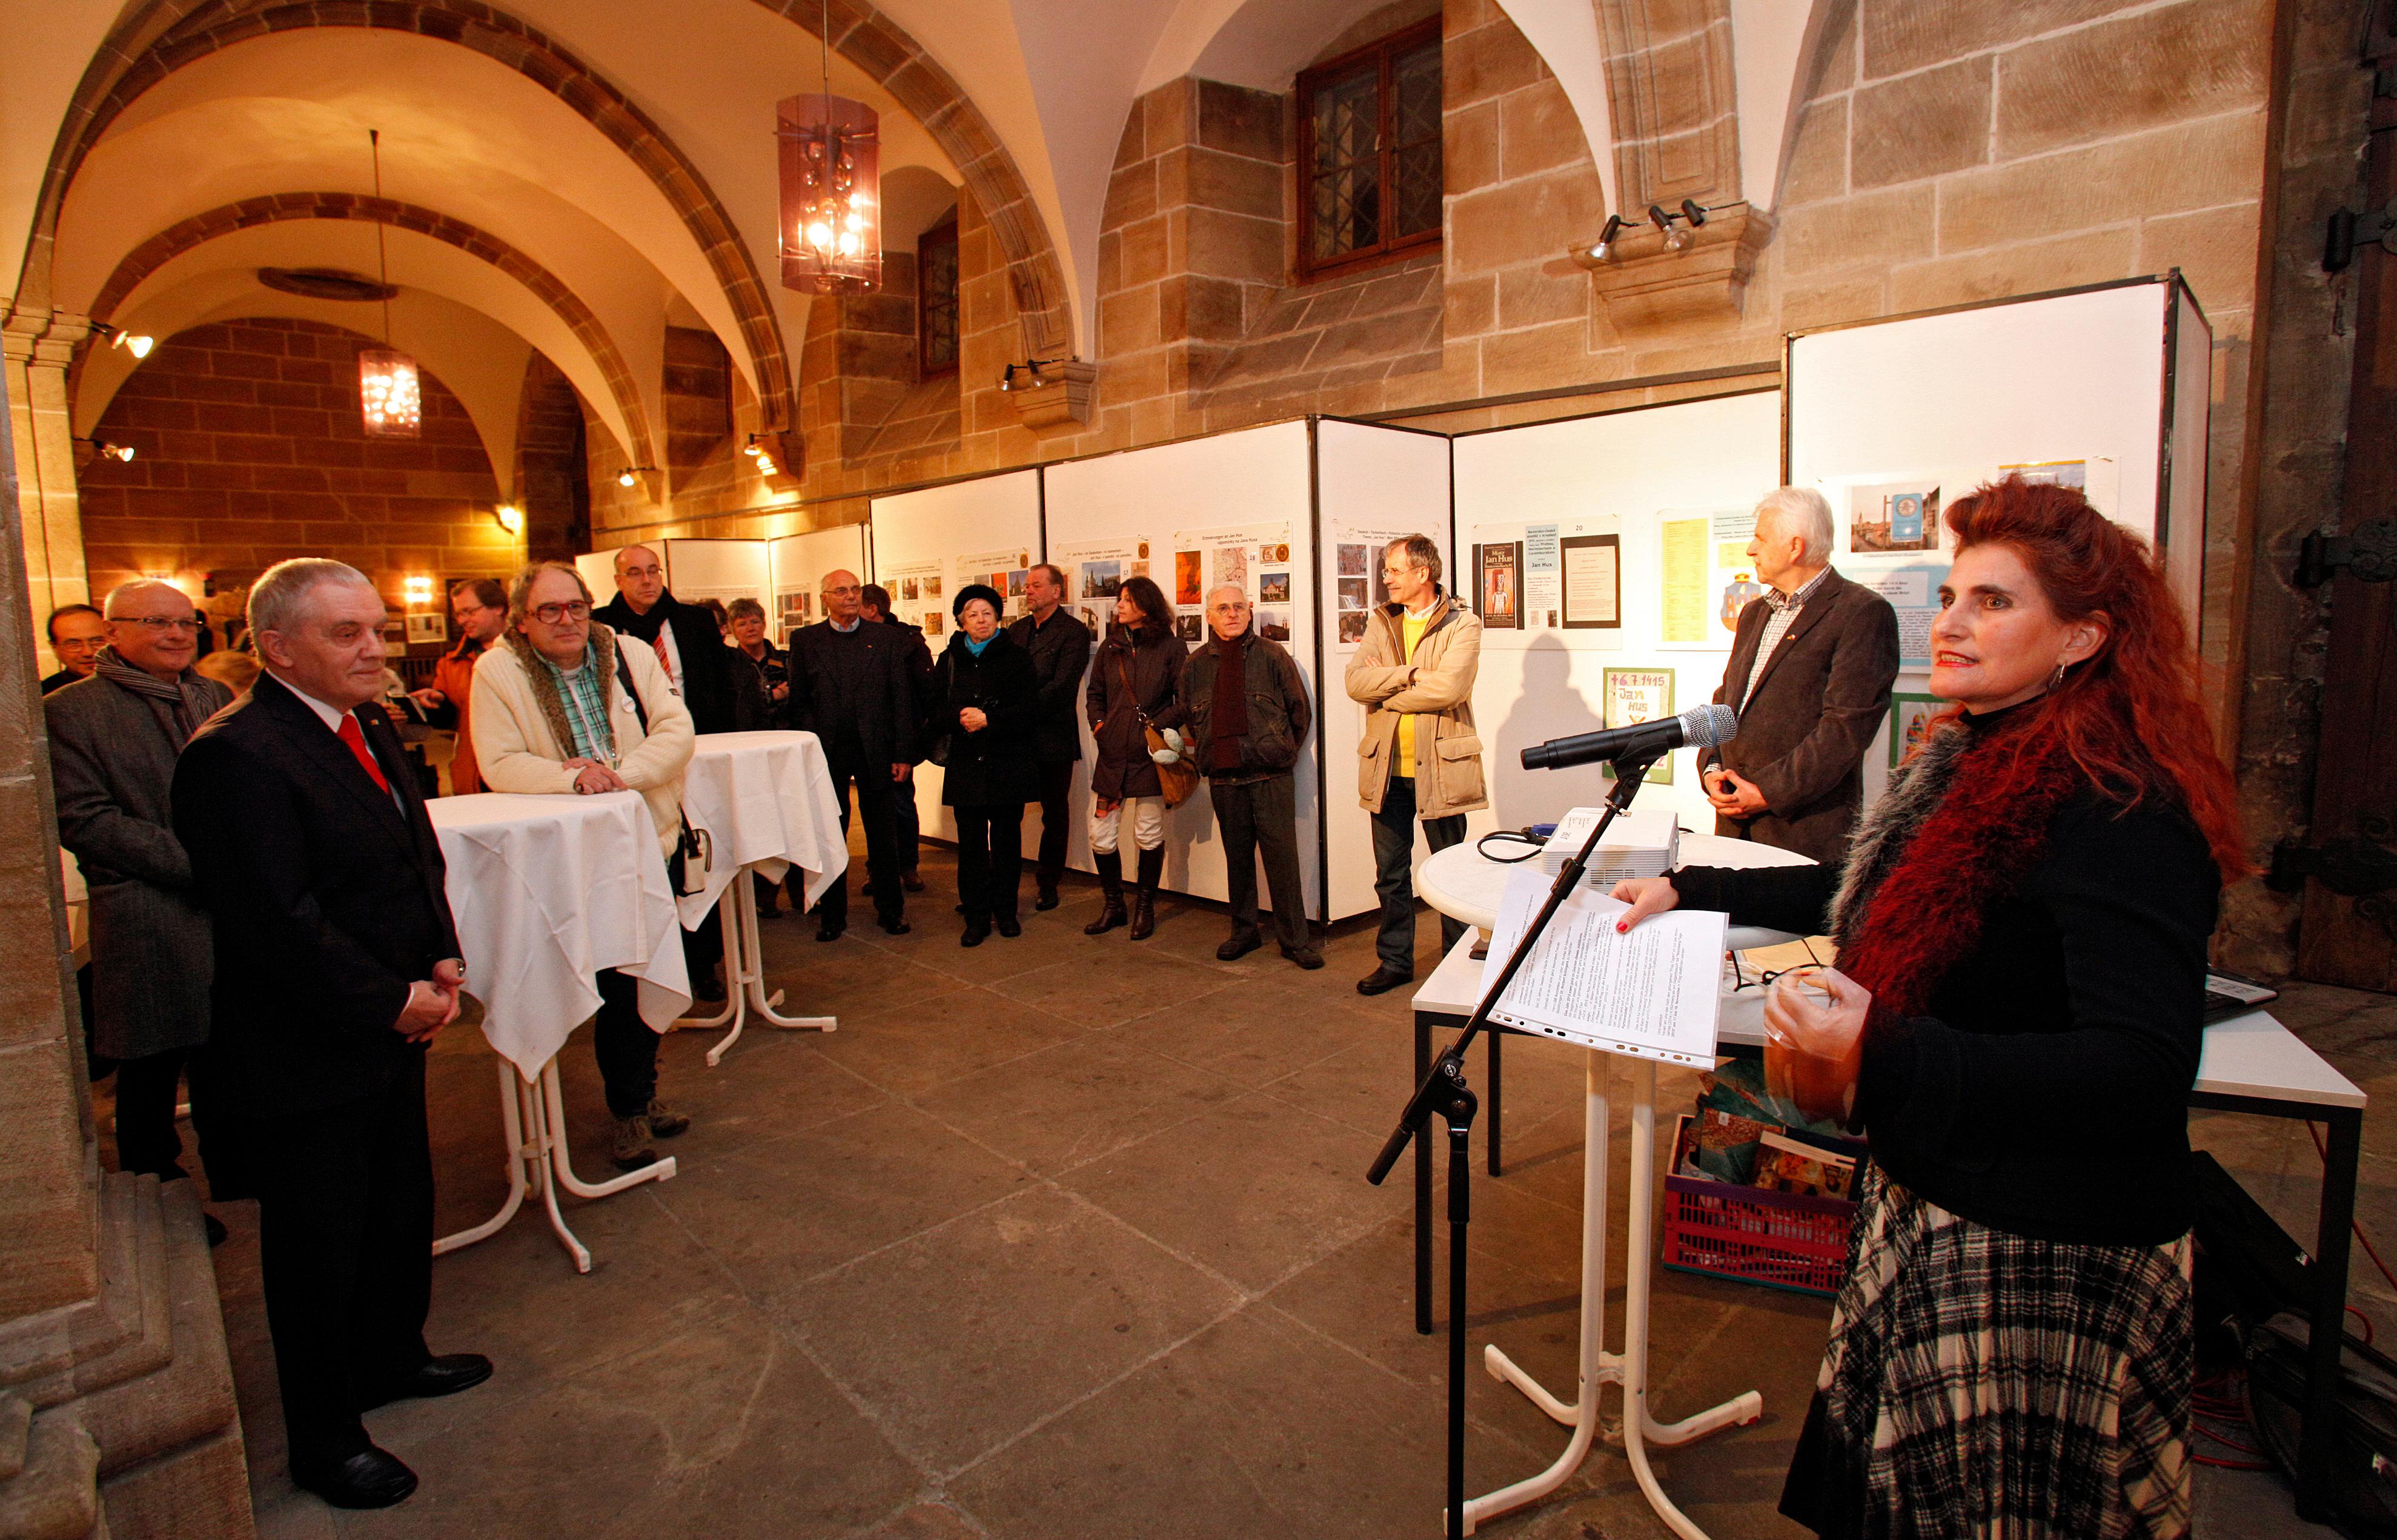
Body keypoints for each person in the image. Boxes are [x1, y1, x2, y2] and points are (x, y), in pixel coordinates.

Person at [1613, 478, 2243, 1540]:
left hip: (2039, 1239)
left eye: (1993, 601)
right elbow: (1878, 884)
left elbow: (2138, 1069)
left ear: (2081, 636)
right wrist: (1693, 885)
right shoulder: (1980, 750)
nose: (1949, 621)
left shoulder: (2115, 800)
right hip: (1939, 1191)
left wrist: (1884, 1049)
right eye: (1950, 596)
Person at [173, 558, 487, 1511]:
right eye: (347, 632)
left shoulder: (368, 722)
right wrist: (389, 998)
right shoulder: (236, 753)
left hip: (391, 1021)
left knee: (397, 1203)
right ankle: (323, 1435)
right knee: (318, 1242)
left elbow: (414, 852)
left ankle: (391, 1354)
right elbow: (274, 918)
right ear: (277, 647)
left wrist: (438, 955)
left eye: (377, 628)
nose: (375, 648)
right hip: (303, 1043)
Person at [471, 561, 697, 1170]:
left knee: (641, 974)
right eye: (549, 610)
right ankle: (597, 1104)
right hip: (566, 857)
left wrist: (622, 775)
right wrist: (572, 779)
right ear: (522, 620)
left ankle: (635, 1100)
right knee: (591, 981)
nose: (567, 620)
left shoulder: (627, 653)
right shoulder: (498, 670)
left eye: (576, 606)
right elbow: (500, 761)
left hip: (646, 837)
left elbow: (675, 729)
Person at [45, 581, 232, 1232]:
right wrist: (199, 865)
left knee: (227, 1046)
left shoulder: (215, 696)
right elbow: (85, 817)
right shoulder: (73, 710)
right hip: (145, 903)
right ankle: (157, 1187)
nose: (177, 634)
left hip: (229, 900)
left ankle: (237, 1166)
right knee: (153, 1054)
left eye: (186, 622)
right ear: (114, 631)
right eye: (157, 622)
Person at [1700, 487, 1900, 864]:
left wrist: (1766, 791)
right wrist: (1711, 767)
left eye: (1760, 538)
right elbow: (1727, 701)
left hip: (1803, 833)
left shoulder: (1862, 613)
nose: (1751, 550)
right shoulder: (1754, 613)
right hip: (1733, 825)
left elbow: (1846, 728)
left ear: (1794, 547)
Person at [1347, 535, 1485, 995]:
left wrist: (1387, 692)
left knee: (1451, 874)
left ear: (1422, 573)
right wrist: (1411, 675)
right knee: (1390, 875)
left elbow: (1450, 689)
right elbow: (1355, 683)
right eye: (1386, 570)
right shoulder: (1382, 621)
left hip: (1442, 770)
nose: (1385, 578)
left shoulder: (1462, 623)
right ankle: (1395, 962)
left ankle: (1456, 966)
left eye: (1393, 570)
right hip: (1386, 769)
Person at [1177, 585, 1321, 970]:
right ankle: (1244, 931)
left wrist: (1280, 751)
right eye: (1223, 608)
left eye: (1239, 607)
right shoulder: (1194, 665)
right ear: (1209, 616)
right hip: (1224, 778)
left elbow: (1300, 712)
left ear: (1250, 611)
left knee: (1283, 862)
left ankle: (1294, 940)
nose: (1232, 614)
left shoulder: (1273, 656)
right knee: (1238, 861)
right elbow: (1191, 716)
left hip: (1270, 776)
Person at [786, 569, 918, 939]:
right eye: (841, 591)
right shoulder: (807, 640)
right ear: (825, 599)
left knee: (883, 836)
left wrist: (903, 753)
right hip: (827, 753)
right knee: (831, 834)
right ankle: (833, 916)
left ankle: (891, 911)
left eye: (855, 589)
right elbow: (799, 701)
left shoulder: (885, 638)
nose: (850, 596)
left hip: (876, 749)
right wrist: (813, 743)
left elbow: (900, 698)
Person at [933, 585, 1038, 945]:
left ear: (998, 618)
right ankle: (976, 917)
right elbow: (934, 708)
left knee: (1007, 843)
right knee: (971, 846)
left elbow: (1029, 710)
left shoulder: (1017, 658)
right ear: (961, 621)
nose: (981, 620)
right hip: (966, 766)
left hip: (1007, 764)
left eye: (988, 613)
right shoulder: (949, 659)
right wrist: (960, 717)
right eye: (973, 614)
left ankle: (1006, 912)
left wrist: (990, 719)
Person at [1082, 575, 1185, 939]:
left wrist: (1155, 727)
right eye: (1120, 600)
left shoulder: (1172, 647)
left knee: (1148, 832)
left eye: (1127, 600)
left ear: (1146, 605)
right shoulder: (1111, 646)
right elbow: (1095, 694)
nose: (1119, 606)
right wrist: (1100, 726)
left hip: (1149, 759)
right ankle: (1114, 906)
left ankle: (1145, 908)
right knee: (1101, 834)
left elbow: (1184, 700)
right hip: (1112, 757)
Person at [1007, 563, 1092, 910]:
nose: (1028, 591)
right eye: (1027, 586)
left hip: (1053, 736)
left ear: (1056, 591)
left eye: (1036, 585)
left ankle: (1048, 882)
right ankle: (1004, 882)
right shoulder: (1016, 631)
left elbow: (1062, 687)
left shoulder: (1074, 632)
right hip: (1015, 738)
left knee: (1054, 813)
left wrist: (1015, 711)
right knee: (1008, 812)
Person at [592, 544, 735, 735]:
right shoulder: (601, 627)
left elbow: (722, 687)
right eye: (635, 573)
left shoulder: (698, 621)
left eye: (653, 571)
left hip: (695, 733)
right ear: (619, 581)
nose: (647, 580)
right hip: (631, 737)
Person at [406, 578, 507, 795]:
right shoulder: (452, 663)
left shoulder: (527, 655)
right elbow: (450, 721)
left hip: (520, 765)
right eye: (459, 614)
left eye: (469, 612)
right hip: (475, 770)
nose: (463, 621)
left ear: (498, 608)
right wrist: (437, 702)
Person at [861, 583, 930, 896]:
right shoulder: (859, 641)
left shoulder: (909, 643)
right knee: (874, 808)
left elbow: (923, 692)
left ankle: (908, 866)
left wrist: (911, 740)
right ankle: (878, 869)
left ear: (872, 609)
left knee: (902, 805)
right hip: (869, 738)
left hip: (900, 737)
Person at [724, 597, 789, 733]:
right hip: (747, 736)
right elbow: (736, 704)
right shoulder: (729, 665)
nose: (751, 629)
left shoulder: (787, 659)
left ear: (764, 625)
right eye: (742, 624)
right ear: (733, 631)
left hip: (787, 733)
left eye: (755, 622)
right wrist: (773, 695)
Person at [42, 601, 105, 692]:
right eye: (74, 645)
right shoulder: (43, 695)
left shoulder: (127, 682)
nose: (88, 652)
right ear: (55, 648)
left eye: (97, 642)